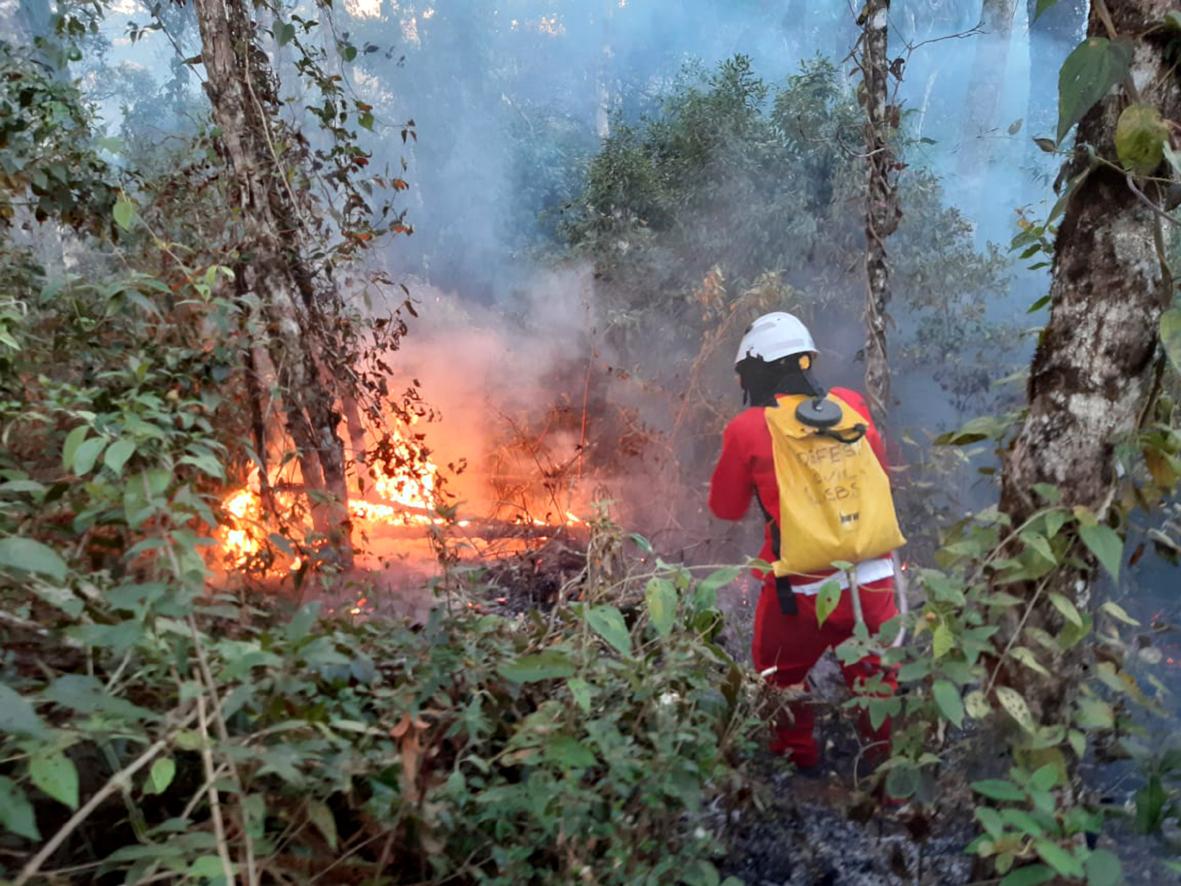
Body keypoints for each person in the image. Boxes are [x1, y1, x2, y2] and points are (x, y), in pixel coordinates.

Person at [709, 311, 901, 769]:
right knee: (875, 683)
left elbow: (726, 508)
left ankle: (797, 763)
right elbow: (878, 470)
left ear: (754, 372)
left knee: (780, 675)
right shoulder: (851, 404)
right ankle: (885, 774)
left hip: (798, 591)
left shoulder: (748, 428)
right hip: (875, 580)